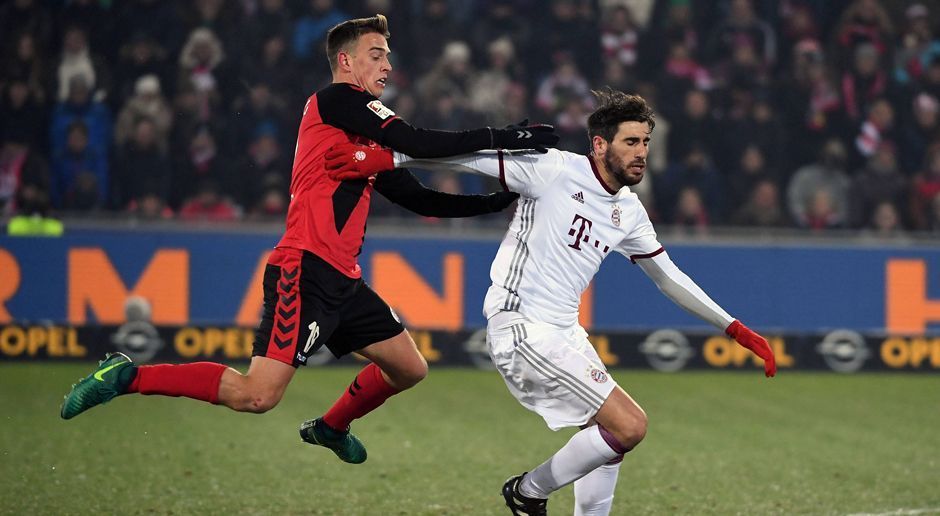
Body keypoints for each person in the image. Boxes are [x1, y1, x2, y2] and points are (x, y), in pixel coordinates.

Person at [60, 13, 557, 467]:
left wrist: (493, 203)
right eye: (376, 54)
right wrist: (504, 137)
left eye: (388, 55)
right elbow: (421, 143)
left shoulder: (363, 133)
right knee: (257, 395)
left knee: (409, 367)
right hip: (305, 269)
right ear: (346, 61)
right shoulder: (338, 100)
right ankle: (127, 376)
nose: (387, 64)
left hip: (343, 279)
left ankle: (331, 426)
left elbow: (421, 199)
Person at [325, 89, 776, 515]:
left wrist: (733, 327)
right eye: (632, 141)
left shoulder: (629, 210)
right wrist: (383, 157)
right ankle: (528, 491)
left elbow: (667, 276)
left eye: (646, 142)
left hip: (565, 333)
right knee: (630, 426)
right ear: (600, 145)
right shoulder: (553, 169)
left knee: (605, 441)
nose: (642, 151)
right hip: (521, 326)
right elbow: (472, 160)